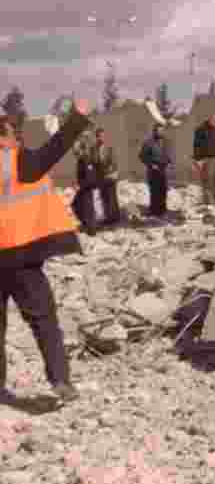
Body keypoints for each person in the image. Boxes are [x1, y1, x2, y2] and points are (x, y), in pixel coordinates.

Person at [1, 99, 92, 404]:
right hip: (22, 259)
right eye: (15, 134)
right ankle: (60, 381)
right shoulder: (21, 162)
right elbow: (57, 146)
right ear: (8, 137)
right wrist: (78, 117)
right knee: (44, 321)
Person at [193, 114, 215, 206]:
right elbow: (196, 145)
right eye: (214, 120)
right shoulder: (201, 130)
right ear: (210, 120)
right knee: (208, 181)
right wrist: (198, 160)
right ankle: (209, 203)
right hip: (207, 159)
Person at [139, 125, 172, 217]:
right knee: (155, 191)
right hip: (153, 170)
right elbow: (142, 156)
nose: (160, 132)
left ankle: (162, 210)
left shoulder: (166, 141)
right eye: (158, 131)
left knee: (163, 190)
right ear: (154, 132)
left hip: (163, 170)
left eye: (162, 130)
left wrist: (169, 162)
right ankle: (154, 211)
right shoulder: (148, 142)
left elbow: (169, 154)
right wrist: (151, 164)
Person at [90, 127, 120, 225]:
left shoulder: (109, 147)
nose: (100, 138)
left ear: (105, 136)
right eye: (98, 136)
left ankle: (115, 217)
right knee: (104, 198)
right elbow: (92, 162)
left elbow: (114, 161)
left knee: (112, 197)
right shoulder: (93, 149)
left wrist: (114, 172)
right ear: (96, 137)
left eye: (102, 136)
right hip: (100, 177)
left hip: (110, 175)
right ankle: (108, 218)